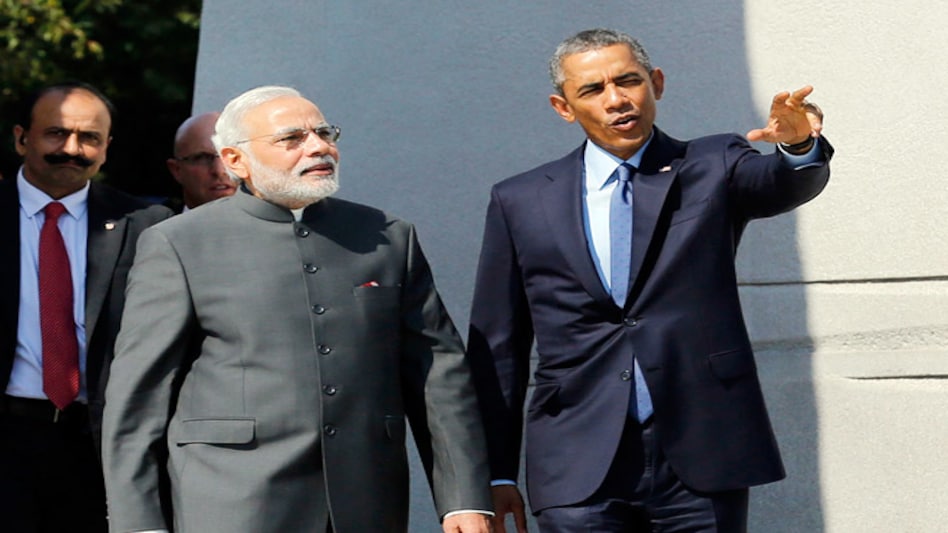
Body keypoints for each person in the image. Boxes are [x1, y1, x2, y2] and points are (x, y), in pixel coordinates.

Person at [467, 28, 833, 532]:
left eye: (629, 81)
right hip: (575, 459)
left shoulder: (712, 163)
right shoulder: (521, 200)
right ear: (563, 107)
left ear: (656, 83)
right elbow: (499, 347)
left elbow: (784, 182)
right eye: (593, 90)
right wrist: (496, 473)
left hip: (701, 453)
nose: (617, 100)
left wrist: (798, 145)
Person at [101, 85, 493, 533]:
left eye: (325, 133)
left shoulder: (387, 236)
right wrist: (139, 522)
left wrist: (463, 500)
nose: (319, 147)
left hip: (365, 501)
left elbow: (438, 373)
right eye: (292, 138)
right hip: (231, 501)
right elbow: (140, 396)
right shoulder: (179, 242)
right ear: (234, 160)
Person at [0, 81, 172, 532]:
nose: (72, 149)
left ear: (107, 148)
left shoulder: (146, 226)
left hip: (96, 446)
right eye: (56, 133)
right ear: (22, 138)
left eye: (89, 138)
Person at [165, 111, 236, 212]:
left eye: (231, 155)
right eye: (202, 158)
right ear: (177, 170)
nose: (219, 170)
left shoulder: (265, 225)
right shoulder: (152, 225)